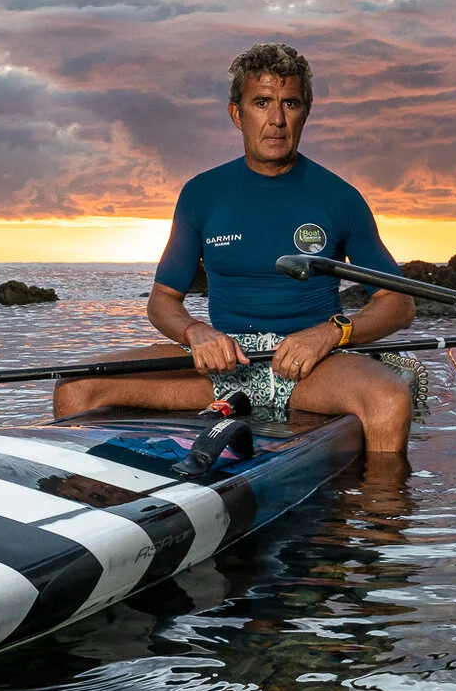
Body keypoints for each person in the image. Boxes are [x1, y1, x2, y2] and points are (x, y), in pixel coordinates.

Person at [53, 42, 418, 452]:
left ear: (306, 112)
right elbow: (162, 301)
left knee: (389, 399)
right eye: (262, 102)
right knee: (77, 387)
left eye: (290, 103)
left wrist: (330, 333)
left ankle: (382, 511)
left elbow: (399, 303)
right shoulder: (201, 194)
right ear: (237, 113)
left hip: (311, 366)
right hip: (223, 363)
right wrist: (196, 334)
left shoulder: (340, 198)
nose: (277, 119)